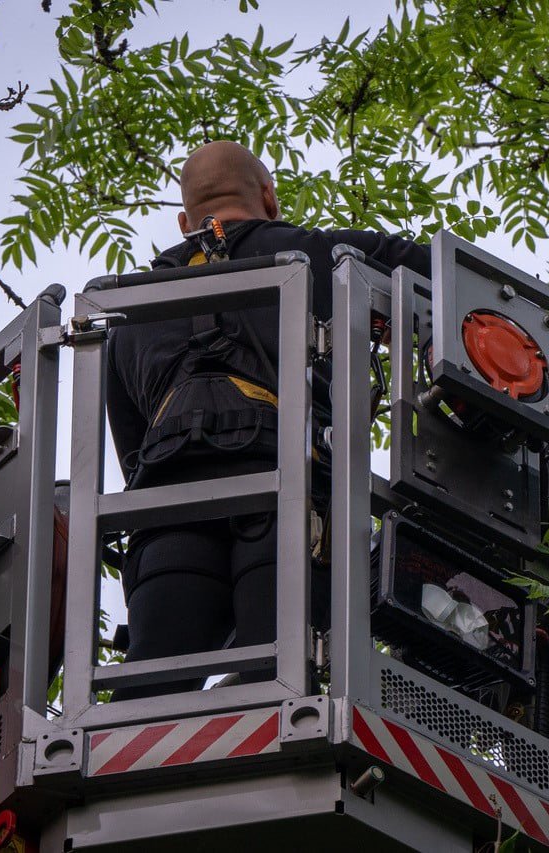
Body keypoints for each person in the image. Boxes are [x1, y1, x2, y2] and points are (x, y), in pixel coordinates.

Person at [105, 141, 430, 699]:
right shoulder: (317, 256)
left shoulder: (130, 308)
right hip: (289, 503)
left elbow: (131, 452)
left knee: (147, 695)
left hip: (168, 522)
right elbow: (442, 279)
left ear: (185, 221)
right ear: (270, 199)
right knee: (283, 692)